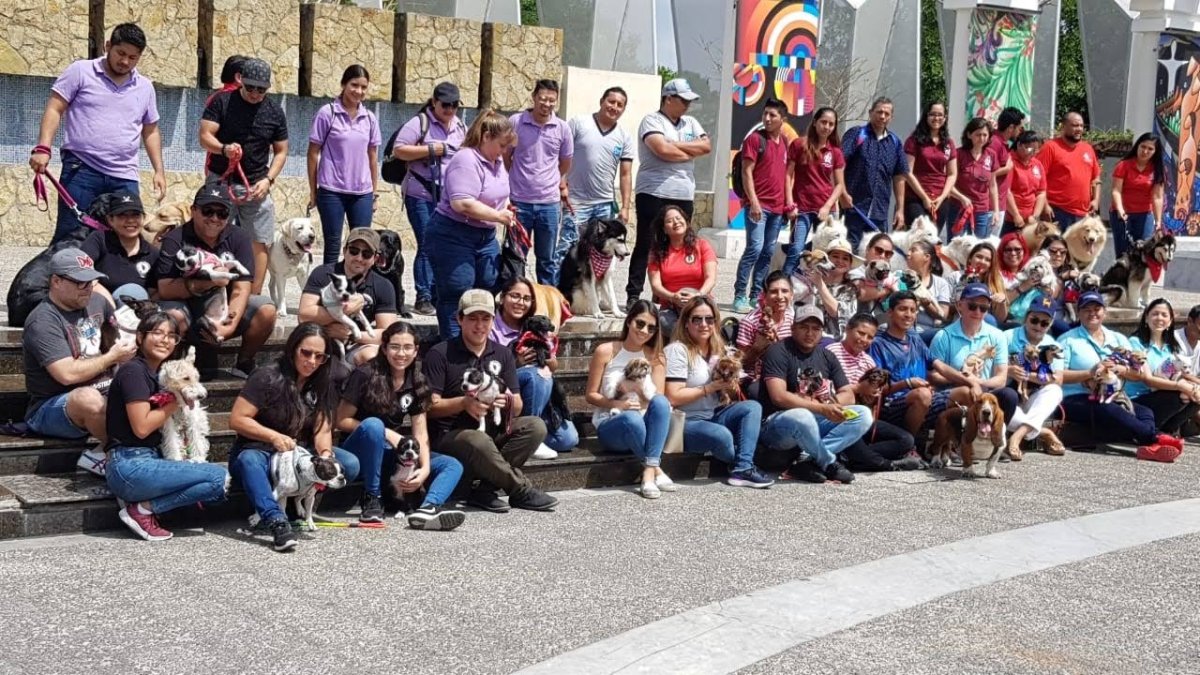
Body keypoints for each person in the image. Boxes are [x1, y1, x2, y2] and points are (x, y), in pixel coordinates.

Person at [228, 322, 361, 552]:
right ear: (292, 349)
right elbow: (238, 419)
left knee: (348, 463)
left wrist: (326, 455)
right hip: (260, 449)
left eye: (319, 356)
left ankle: (299, 499)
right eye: (306, 353)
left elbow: (323, 428)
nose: (311, 361)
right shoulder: (267, 376)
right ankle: (276, 520)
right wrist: (272, 436)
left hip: (300, 455)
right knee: (249, 461)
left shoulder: (323, 381)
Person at [423, 289, 558, 512]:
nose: (479, 325)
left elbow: (517, 406)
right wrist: (463, 403)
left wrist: (505, 402)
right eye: (473, 318)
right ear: (459, 319)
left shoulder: (503, 353)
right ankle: (520, 490)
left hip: (492, 427)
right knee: (478, 440)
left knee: (535, 426)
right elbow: (429, 406)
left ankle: (485, 490)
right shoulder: (440, 353)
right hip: (451, 435)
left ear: (493, 320)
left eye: (485, 319)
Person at [31, 23, 164, 245]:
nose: (125, 62)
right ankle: (57, 280)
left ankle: (116, 281)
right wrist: (43, 148)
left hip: (124, 176)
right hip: (81, 170)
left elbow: (150, 130)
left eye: (133, 57)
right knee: (71, 238)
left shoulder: (145, 87)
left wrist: (159, 170)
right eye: (121, 53)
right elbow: (55, 108)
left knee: (127, 239)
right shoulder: (80, 71)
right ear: (108, 45)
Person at [105, 312, 228, 541]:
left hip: (147, 459)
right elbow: (141, 427)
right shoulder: (134, 372)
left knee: (217, 483)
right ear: (140, 338)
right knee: (217, 478)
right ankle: (142, 510)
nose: (165, 340)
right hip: (131, 464)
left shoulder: (154, 375)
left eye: (172, 335)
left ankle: (143, 505)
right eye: (157, 333)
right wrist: (176, 400)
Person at [336, 322, 467, 529]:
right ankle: (373, 497)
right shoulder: (365, 374)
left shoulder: (416, 378)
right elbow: (341, 420)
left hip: (396, 454)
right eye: (395, 346)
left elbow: (420, 433)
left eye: (408, 347)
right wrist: (385, 432)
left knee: (452, 465)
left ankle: (428, 508)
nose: (401, 353)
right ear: (385, 348)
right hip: (363, 450)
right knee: (373, 425)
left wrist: (424, 469)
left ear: (416, 351)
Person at [154, 186, 278, 380]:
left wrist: (229, 324)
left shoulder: (239, 237)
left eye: (222, 213)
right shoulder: (175, 238)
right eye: (207, 211)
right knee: (171, 315)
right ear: (193, 210)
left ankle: (244, 364)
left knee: (267, 310)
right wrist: (204, 284)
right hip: (186, 308)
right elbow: (165, 288)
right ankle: (168, 368)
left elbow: (242, 288)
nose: (214, 218)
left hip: (222, 308)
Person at [23, 249, 133, 451]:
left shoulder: (98, 302)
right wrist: (112, 357)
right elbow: (67, 374)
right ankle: (124, 455)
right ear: (56, 282)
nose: (88, 289)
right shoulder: (43, 321)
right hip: (53, 406)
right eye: (81, 282)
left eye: (92, 282)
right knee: (88, 399)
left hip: (106, 389)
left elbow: (118, 337)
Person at [199, 57, 288, 295]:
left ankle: (253, 294)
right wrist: (223, 149)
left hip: (256, 184)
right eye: (251, 88)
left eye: (262, 89)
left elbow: (281, 151)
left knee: (259, 241)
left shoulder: (274, 111)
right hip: (222, 180)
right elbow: (205, 135)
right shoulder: (222, 101)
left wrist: (268, 180)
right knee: (212, 233)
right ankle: (212, 289)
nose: (256, 94)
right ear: (240, 81)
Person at [665, 296, 773, 487]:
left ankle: (742, 468)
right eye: (697, 319)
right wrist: (710, 388)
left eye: (709, 319)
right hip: (686, 421)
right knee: (721, 435)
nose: (704, 324)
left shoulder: (719, 350)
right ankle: (744, 463)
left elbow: (727, 396)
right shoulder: (677, 350)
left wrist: (730, 387)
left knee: (752, 407)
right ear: (686, 323)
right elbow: (673, 396)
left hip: (714, 413)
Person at [425, 110, 515, 339]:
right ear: (486, 136)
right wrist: (498, 216)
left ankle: (481, 342)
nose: (505, 152)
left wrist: (506, 209)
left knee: (489, 286)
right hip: (452, 233)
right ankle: (454, 348)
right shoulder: (465, 159)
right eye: (502, 145)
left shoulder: (496, 163)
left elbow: (500, 193)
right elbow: (462, 203)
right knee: (457, 291)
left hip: (484, 235)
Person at [757, 304, 871, 483]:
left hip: (816, 416)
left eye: (816, 328)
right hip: (777, 424)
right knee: (802, 416)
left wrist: (829, 407)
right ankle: (828, 461)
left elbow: (848, 395)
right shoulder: (778, 351)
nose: (810, 333)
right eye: (804, 327)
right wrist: (821, 408)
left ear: (822, 332)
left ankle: (806, 460)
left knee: (862, 414)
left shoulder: (827, 356)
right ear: (793, 328)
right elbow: (778, 396)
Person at [627, 78, 711, 309]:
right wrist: (686, 150)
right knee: (647, 242)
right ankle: (634, 294)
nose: (687, 105)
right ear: (668, 98)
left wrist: (675, 146)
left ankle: (665, 294)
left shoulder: (691, 122)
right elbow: (662, 150)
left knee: (677, 244)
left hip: (683, 193)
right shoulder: (651, 120)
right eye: (683, 100)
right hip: (654, 192)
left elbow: (706, 147)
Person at [1057, 292, 1172, 455]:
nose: (1092, 313)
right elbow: (1058, 375)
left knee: (1146, 412)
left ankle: (1147, 445)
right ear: (1078, 312)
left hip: (1114, 395)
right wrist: (1090, 373)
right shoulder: (1067, 340)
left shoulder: (1118, 338)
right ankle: (1155, 439)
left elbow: (1138, 373)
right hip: (1077, 397)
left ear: (1105, 312)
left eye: (1097, 309)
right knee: (1108, 409)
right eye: (1086, 310)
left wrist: (1122, 370)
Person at [391, 82, 468, 316]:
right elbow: (399, 150)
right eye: (445, 105)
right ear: (434, 102)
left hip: (446, 196)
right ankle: (423, 295)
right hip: (420, 194)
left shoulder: (460, 126)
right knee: (427, 242)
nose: (449, 110)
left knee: (443, 245)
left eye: (454, 105)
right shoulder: (420, 123)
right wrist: (431, 150)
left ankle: (437, 293)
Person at [584, 301, 676, 498]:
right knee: (631, 418)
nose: (644, 331)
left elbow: (657, 399)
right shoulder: (606, 351)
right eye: (640, 323)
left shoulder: (656, 357)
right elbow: (590, 395)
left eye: (651, 328)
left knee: (661, 402)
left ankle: (649, 472)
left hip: (643, 422)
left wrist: (641, 392)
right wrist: (616, 403)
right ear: (629, 322)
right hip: (613, 424)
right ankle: (655, 469)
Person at [869, 290, 972, 455]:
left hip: (923, 399)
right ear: (890, 312)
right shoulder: (878, 344)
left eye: (912, 310)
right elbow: (876, 390)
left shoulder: (914, 338)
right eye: (902, 309)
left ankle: (941, 447)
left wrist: (971, 382)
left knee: (966, 393)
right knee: (923, 394)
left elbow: (940, 367)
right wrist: (908, 383)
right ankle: (909, 448)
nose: (908, 314)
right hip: (891, 405)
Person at [489, 277, 580, 459]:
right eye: (515, 296)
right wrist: (515, 363)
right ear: (502, 297)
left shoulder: (535, 325)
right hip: (504, 390)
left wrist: (551, 362)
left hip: (539, 393)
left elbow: (553, 364)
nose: (520, 303)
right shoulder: (491, 327)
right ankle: (529, 436)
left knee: (568, 440)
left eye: (526, 298)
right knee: (534, 374)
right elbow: (487, 370)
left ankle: (522, 436)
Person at [826, 313, 922, 472]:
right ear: (848, 329)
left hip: (864, 415)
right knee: (852, 438)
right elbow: (827, 392)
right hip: (838, 414)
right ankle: (885, 464)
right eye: (861, 333)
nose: (864, 340)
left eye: (870, 337)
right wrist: (858, 388)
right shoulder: (831, 352)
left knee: (906, 439)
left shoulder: (868, 360)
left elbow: (873, 392)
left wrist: (874, 393)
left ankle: (852, 458)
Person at [307, 65, 382, 265]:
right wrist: (313, 191)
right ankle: (330, 291)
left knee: (362, 245)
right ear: (344, 84)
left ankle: (358, 291)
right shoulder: (327, 113)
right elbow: (313, 153)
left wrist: (374, 193)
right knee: (332, 245)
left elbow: (372, 157)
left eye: (363, 87)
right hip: (332, 190)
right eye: (354, 85)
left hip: (362, 192)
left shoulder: (370, 118)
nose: (358, 91)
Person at [297, 228, 397, 366]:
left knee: (372, 356)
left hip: (357, 344)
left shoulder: (383, 285)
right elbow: (303, 315)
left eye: (367, 254)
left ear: (375, 258)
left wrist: (351, 335)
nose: (359, 258)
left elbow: (390, 334)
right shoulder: (323, 274)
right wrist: (346, 309)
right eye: (354, 251)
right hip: (321, 341)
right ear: (344, 251)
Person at [507, 79, 573, 285]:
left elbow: (565, 163)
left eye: (552, 100)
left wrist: (552, 180)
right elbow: (506, 156)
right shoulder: (516, 122)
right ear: (534, 97)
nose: (547, 104)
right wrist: (518, 178)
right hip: (519, 201)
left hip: (549, 204)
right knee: (516, 256)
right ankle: (515, 300)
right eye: (543, 99)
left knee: (547, 259)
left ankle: (547, 304)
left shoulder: (562, 128)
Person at [562, 86, 634, 271]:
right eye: (611, 102)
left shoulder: (624, 137)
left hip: (604, 205)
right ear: (602, 101)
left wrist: (625, 207)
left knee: (600, 256)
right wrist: (561, 183)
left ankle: (593, 296)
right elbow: (560, 155)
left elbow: (625, 174)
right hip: (575, 202)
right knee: (566, 250)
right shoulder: (579, 123)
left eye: (620, 105)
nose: (614, 107)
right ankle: (560, 294)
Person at [732, 97, 791, 313]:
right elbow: (747, 172)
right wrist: (754, 202)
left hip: (777, 209)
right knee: (754, 248)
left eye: (772, 115)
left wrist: (787, 205)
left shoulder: (784, 143)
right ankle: (739, 295)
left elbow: (785, 176)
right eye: (765, 114)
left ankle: (756, 295)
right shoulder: (755, 140)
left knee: (767, 252)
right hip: (758, 206)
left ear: (782, 119)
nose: (767, 118)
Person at [839, 97, 913, 248]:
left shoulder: (895, 142)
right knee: (848, 251)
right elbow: (839, 165)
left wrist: (900, 209)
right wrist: (842, 194)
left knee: (876, 253)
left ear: (891, 117)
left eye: (887, 113)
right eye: (879, 112)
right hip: (854, 207)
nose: (882, 116)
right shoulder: (857, 134)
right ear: (870, 112)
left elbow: (899, 176)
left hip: (879, 211)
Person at [1002, 294, 1067, 458]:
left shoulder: (1054, 345)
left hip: (1033, 399)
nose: (1038, 326)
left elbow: (1057, 379)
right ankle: (1043, 432)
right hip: (1009, 396)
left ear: (1050, 324)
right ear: (1026, 317)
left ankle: (1017, 436)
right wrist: (1009, 370)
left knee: (1055, 391)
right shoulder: (1007, 337)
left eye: (1044, 323)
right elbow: (994, 368)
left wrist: (1026, 375)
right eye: (1034, 320)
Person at [783, 106, 845, 276]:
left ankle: (815, 291)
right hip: (802, 208)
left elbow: (839, 185)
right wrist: (789, 204)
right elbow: (787, 175)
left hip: (825, 211)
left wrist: (827, 207)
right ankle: (785, 284)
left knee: (823, 254)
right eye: (823, 122)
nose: (827, 127)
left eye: (831, 124)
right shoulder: (799, 145)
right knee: (796, 248)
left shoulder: (836, 152)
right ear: (815, 122)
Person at [1126, 299, 1200, 436]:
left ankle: (1167, 430)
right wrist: (1180, 386)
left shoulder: (1170, 346)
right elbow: (1148, 379)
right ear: (1146, 317)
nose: (1159, 318)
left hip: (1161, 394)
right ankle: (1151, 430)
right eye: (1155, 314)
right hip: (1138, 399)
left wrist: (1191, 387)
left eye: (1164, 315)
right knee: (1177, 394)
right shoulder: (1136, 343)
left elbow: (1173, 373)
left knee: (1196, 395)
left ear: (1171, 320)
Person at [647, 205, 717, 340]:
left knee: (705, 323)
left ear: (687, 222)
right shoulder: (656, 252)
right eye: (669, 221)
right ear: (664, 229)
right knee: (664, 323)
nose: (676, 222)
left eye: (678, 218)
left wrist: (698, 296)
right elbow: (655, 286)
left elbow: (711, 278)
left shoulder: (702, 245)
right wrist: (673, 297)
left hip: (701, 302)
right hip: (671, 305)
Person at [79, 189, 159, 305]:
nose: (130, 220)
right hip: (100, 306)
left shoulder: (152, 253)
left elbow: (154, 292)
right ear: (110, 220)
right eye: (122, 215)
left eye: (136, 215)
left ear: (143, 218)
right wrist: (109, 303)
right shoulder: (99, 239)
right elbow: (81, 271)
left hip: (137, 314)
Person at [899, 101, 956, 233]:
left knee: (932, 240)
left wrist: (942, 197)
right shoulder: (914, 140)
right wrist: (924, 198)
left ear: (945, 118)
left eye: (940, 115)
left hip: (940, 200)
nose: (936, 118)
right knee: (919, 237)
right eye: (933, 114)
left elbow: (952, 174)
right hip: (916, 198)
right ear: (926, 116)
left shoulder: (948, 143)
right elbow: (907, 171)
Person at [1037, 112, 1101, 227]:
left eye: (1081, 126)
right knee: (1057, 245)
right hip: (1056, 211)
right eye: (1075, 125)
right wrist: (1044, 205)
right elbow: (1038, 180)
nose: (1079, 129)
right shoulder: (1050, 147)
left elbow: (1096, 177)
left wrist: (1096, 200)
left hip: (1083, 213)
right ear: (1063, 127)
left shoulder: (1088, 149)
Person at [1110, 132, 1165, 257]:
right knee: (1124, 254)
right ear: (1137, 146)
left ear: (1155, 152)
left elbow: (1157, 197)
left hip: (1144, 215)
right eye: (1143, 147)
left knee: (1144, 253)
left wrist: (1158, 223)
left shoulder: (1157, 170)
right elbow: (1116, 191)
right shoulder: (1123, 165)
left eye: (1150, 149)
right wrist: (1120, 210)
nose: (1145, 151)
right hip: (1122, 214)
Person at [735, 270, 794, 384]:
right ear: (765, 295)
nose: (780, 296)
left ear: (791, 295)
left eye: (785, 291)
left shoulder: (791, 319)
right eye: (774, 292)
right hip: (757, 380)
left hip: (785, 375)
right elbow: (739, 363)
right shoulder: (750, 322)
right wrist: (757, 348)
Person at [946, 117, 999, 239]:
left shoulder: (991, 155)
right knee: (957, 245)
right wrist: (961, 197)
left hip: (981, 210)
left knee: (979, 246)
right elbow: (948, 182)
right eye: (978, 135)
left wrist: (996, 210)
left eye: (985, 135)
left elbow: (992, 185)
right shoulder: (958, 154)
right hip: (959, 208)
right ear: (969, 135)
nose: (982, 138)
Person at [902, 240, 951, 344]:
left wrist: (926, 303)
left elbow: (943, 315)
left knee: (941, 334)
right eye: (908, 250)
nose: (908, 254)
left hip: (928, 334)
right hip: (902, 330)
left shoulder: (941, 283)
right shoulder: (899, 278)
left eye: (913, 250)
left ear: (926, 257)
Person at [813, 238, 862, 340]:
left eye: (845, 258)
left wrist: (819, 284)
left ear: (849, 265)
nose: (840, 261)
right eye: (835, 256)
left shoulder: (850, 290)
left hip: (834, 343)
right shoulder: (811, 281)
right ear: (826, 259)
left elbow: (837, 312)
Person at [1003, 130, 1048, 236]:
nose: (1033, 153)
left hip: (1030, 221)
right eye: (1030, 149)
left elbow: (1041, 192)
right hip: (1010, 219)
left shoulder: (1037, 164)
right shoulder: (1009, 162)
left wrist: (1035, 216)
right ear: (1019, 145)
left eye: (1036, 150)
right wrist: (1016, 215)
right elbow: (1006, 191)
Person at [990, 107, 1025, 226]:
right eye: (1019, 128)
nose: (1020, 132)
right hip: (990, 206)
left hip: (1000, 203)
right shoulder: (994, 143)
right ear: (1011, 127)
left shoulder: (1003, 143)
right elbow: (984, 172)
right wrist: (1006, 169)